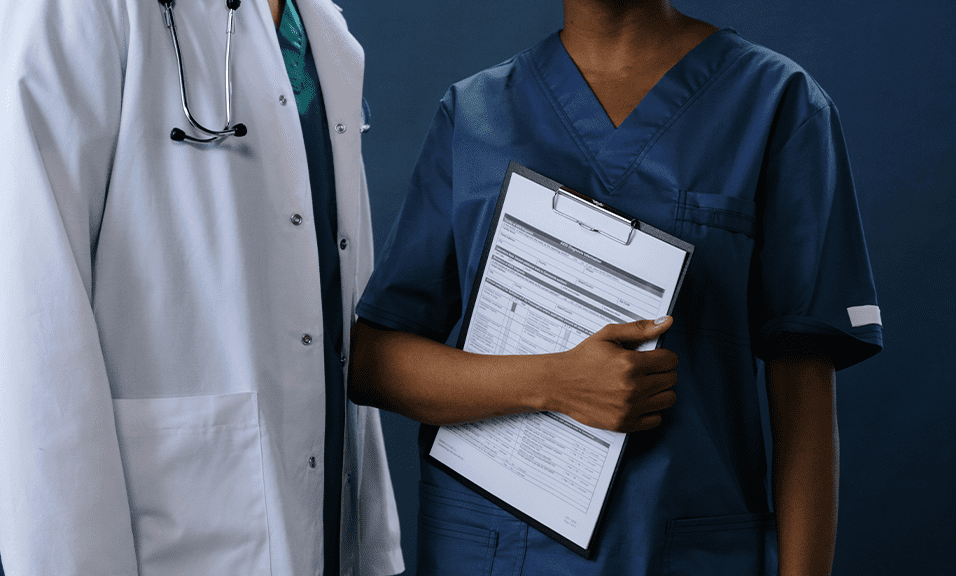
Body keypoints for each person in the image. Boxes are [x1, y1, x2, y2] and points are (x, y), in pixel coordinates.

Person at [348, 1, 882, 574]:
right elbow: (374, 361)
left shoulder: (776, 104)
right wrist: (554, 383)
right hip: (494, 552)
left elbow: (802, 390)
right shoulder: (475, 114)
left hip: (679, 548)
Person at [0, 0, 403, 574]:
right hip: (173, 535)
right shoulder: (66, 12)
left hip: (321, 518)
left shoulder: (321, 26)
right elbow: (32, 336)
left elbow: (332, 303)